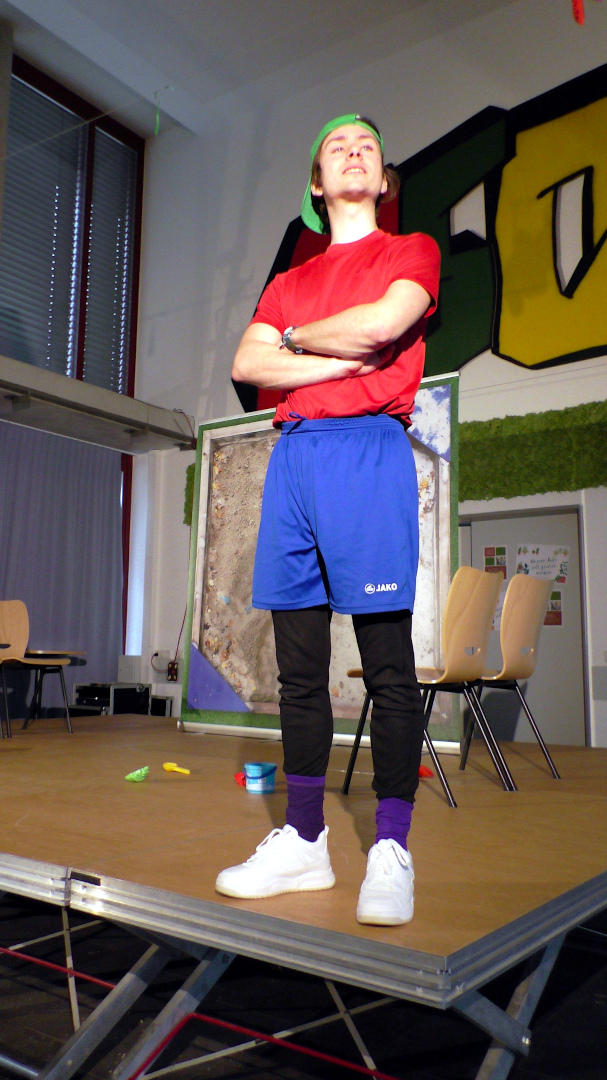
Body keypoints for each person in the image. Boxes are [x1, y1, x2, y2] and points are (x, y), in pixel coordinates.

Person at [215, 114, 440, 925]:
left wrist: (297, 346)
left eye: (366, 146)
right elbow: (248, 364)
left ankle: (391, 847)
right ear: (316, 182)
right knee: (299, 671)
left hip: (367, 452)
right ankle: (305, 839)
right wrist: (333, 353)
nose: (352, 152)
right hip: (295, 459)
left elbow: (382, 325)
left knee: (387, 668)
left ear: (382, 178)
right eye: (335, 147)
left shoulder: (411, 251)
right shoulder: (287, 281)